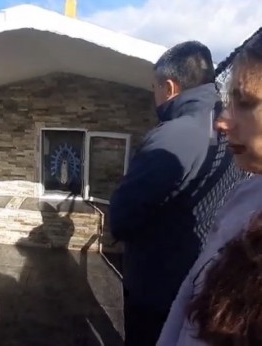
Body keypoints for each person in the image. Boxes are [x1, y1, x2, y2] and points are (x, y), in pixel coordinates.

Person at [109, 41, 248, 346]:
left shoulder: (174, 135)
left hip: (155, 286)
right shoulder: (225, 125)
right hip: (195, 273)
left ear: (169, 87)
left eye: (155, 88)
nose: (154, 96)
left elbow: (120, 217)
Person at [157, 28, 262, 346]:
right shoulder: (245, 195)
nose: (222, 121)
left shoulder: (167, 136)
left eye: (244, 102)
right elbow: (189, 294)